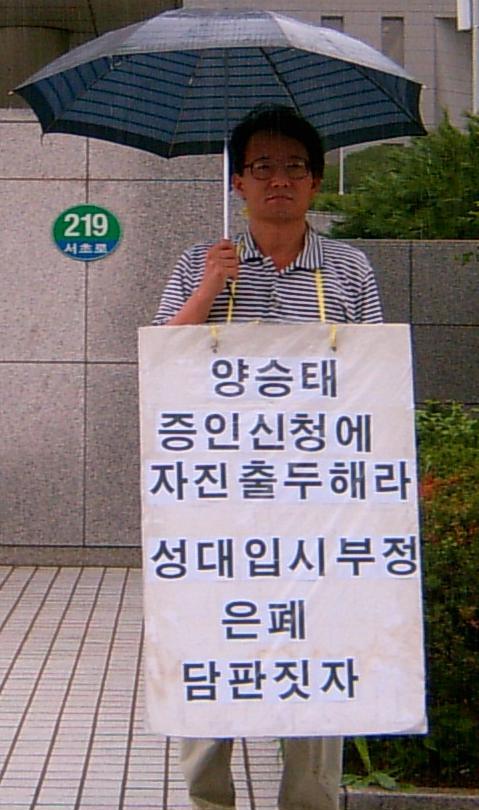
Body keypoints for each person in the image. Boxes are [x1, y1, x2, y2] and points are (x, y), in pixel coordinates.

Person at [152, 104, 383, 810]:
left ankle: (310, 801)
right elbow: (160, 364)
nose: (277, 180)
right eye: (261, 167)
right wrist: (208, 290)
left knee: (318, 651)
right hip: (219, 503)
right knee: (212, 645)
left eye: (293, 167)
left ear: (314, 181)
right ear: (237, 183)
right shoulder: (202, 261)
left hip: (319, 504)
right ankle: (208, 800)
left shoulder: (348, 268)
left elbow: (374, 378)